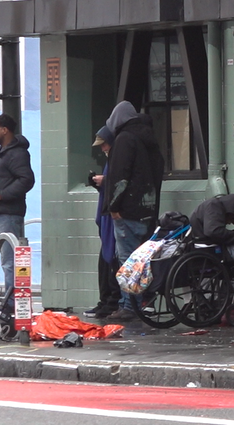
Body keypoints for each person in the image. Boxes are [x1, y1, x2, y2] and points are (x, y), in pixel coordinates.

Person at [103, 101, 165, 322]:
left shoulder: (124, 140)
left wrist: (114, 206)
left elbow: (120, 176)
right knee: (141, 260)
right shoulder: (149, 140)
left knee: (127, 260)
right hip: (147, 210)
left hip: (127, 211)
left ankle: (130, 306)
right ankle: (134, 303)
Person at [0, 113, 35, 306]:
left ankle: (12, 303)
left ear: (4, 130)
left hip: (8, 212)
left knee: (10, 260)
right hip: (1, 212)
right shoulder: (5, 152)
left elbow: (27, 179)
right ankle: (10, 300)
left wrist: (1, 195)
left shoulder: (16, 153)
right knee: (7, 258)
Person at [84, 127, 120, 318]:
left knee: (110, 260)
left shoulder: (114, 160)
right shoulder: (113, 159)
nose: (102, 148)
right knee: (106, 261)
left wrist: (103, 181)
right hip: (109, 217)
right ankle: (107, 300)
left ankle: (110, 301)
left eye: (104, 144)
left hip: (111, 218)